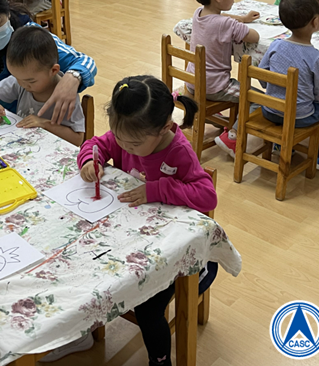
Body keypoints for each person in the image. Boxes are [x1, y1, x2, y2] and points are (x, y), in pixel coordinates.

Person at [77, 76, 217, 366]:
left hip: (177, 253)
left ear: (164, 128)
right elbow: (96, 144)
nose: (124, 147)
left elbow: (207, 196)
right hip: (135, 241)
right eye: (120, 139)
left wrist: (157, 189)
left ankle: (160, 360)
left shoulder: (178, 151)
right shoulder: (128, 134)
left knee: (147, 308)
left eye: (134, 144)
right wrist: (91, 160)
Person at [183, 0, 261, 156]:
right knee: (258, 100)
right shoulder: (225, 24)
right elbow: (254, 36)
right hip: (216, 86)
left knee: (245, 94)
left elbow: (219, 18)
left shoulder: (198, 13)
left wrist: (241, 18)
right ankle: (232, 136)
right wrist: (240, 23)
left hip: (193, 82)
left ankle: (214, 118)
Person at [259, 0, 319, 170]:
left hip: (270, 110)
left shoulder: (275, 45)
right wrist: (312, 100)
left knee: (292, 108)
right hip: (299, 115)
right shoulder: (317, 57)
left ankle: (280, 144)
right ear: (315, 22)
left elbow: (262, 75)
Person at [0, 26, 85, 146]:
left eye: (30, 81)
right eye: (16, 77)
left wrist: (43, 124)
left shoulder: (66, 95)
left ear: (53, 70)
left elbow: (77, 139)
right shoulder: (23, 79)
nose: (21, 84)